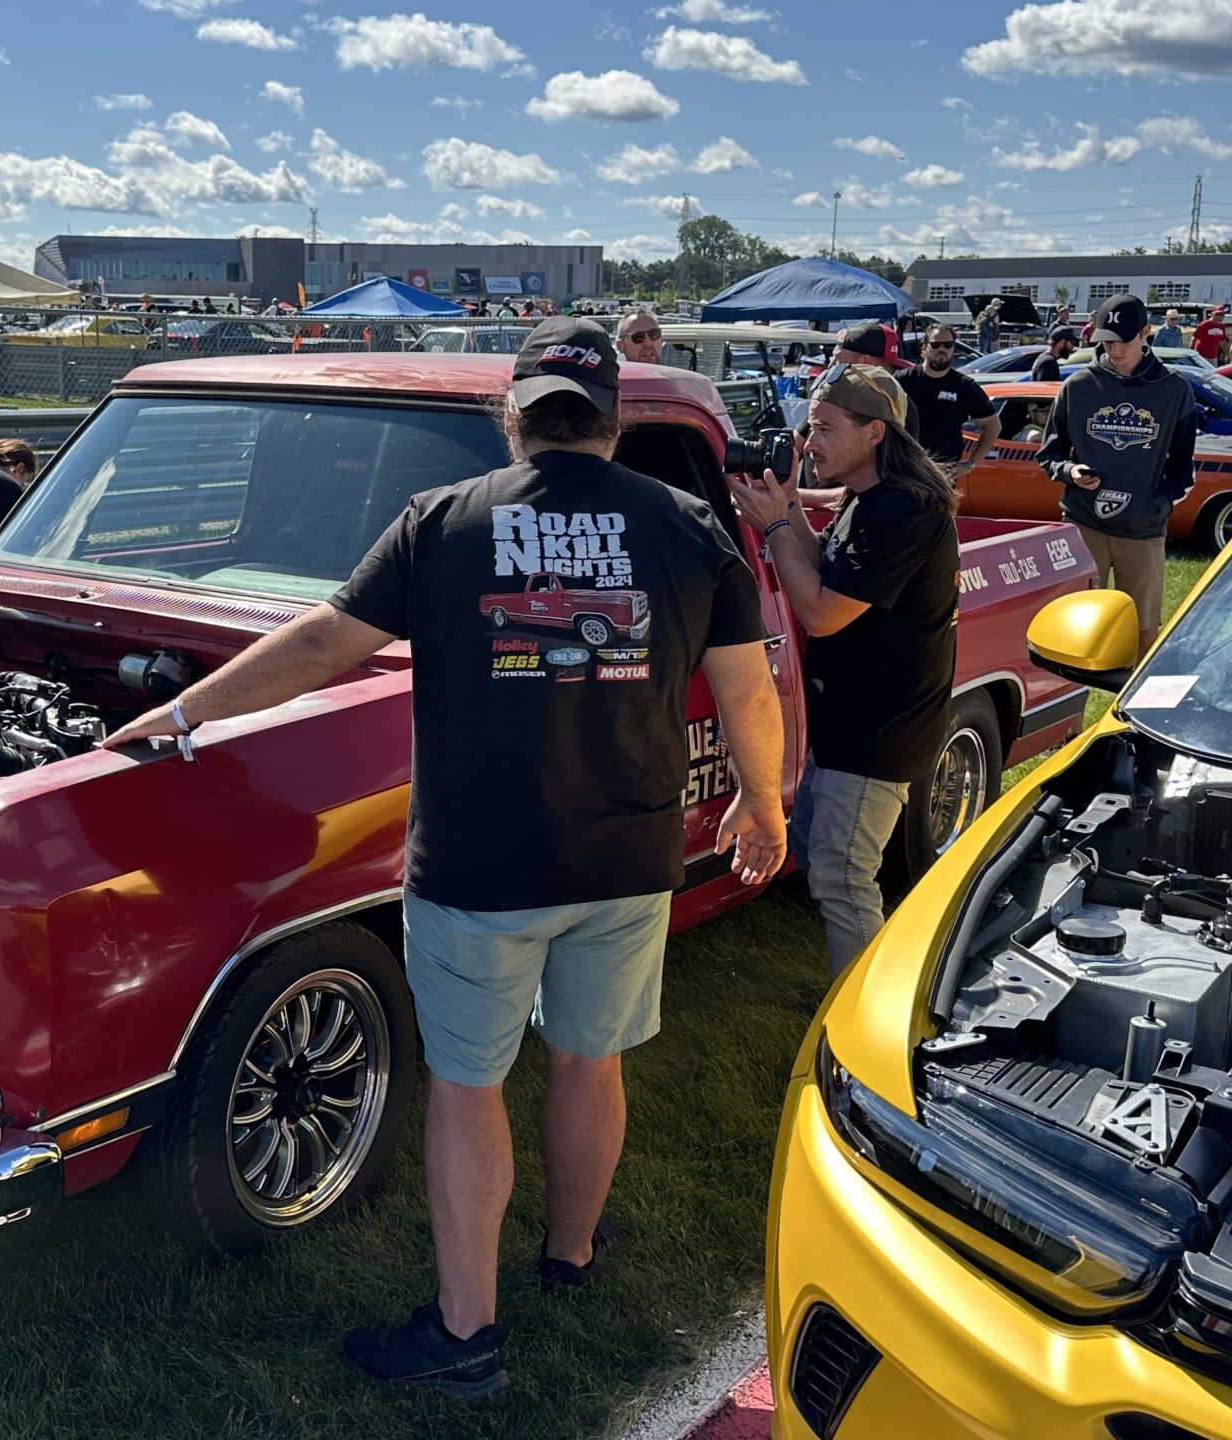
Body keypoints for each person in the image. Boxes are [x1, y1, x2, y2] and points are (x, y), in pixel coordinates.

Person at [106, 318, 786, 1395]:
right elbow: (748, 686)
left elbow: (324, 645)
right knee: (591, 1060)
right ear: (612, 421)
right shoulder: (687, 522)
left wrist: (184, 714)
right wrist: (761, 803)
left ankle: (467, 1334)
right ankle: (571, 1254)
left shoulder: (442, 518)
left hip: (478, 861)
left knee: (469, 1086)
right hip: (628, 851)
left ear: (512, 415)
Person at [727, 366, 959, 976]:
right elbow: (825, 567)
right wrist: (786, 506)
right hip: (851, 721)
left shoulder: (903, 510)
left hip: (877, 732)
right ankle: (853, 988)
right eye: (810, 427)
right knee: (815, 848)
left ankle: (861, 1013)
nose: (810, 443)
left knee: (842, 876)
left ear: (875, 432)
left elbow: (822, 613)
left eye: (825, 429)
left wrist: (775, 525)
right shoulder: (871, 497)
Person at [1035, 294, 1199, 658]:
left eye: (1123, 340)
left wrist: (1158, 504)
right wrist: (1071, 471)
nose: (1116, 349)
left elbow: (1183, 465)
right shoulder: (1078, 385)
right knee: (1076, 629)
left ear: (1145, 332)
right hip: (1084, 524)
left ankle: (1131, 694)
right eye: (1107, 341)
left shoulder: (1173, 389)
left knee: (1143, 633)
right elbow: (1050, 454)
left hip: (1142, 530)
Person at [899, 324, 1000, 481]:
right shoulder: (902, 381)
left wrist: (971, 463)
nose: (942, 349)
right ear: (924, 348)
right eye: (936, 344)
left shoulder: (965, 386)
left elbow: (993, 426)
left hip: (944, 477)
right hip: (905, 473)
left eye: (948, 345)